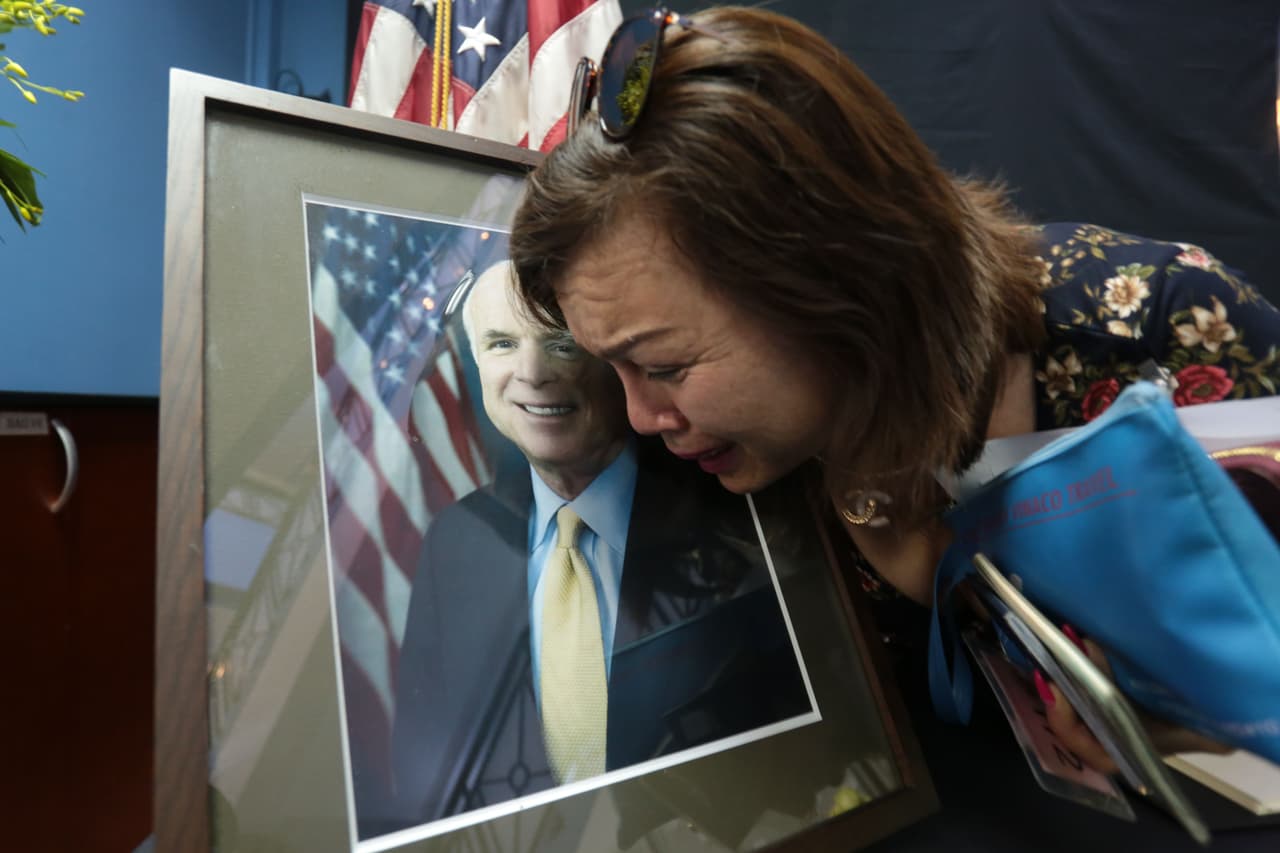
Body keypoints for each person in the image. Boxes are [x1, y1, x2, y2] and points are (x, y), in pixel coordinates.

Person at [508, 8, 1280, 777]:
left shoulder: (1164, 334)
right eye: (612, 369)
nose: (641, 417)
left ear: (831, 282)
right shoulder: (717, 461)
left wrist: (1209, 727)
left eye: (665, 366)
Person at [388, 260, 810, 832]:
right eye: (502, 344)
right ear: (475, 362)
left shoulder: (730, 501)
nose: (531, 374)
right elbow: (425, 771)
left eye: (562, 344)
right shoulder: (456, 542)